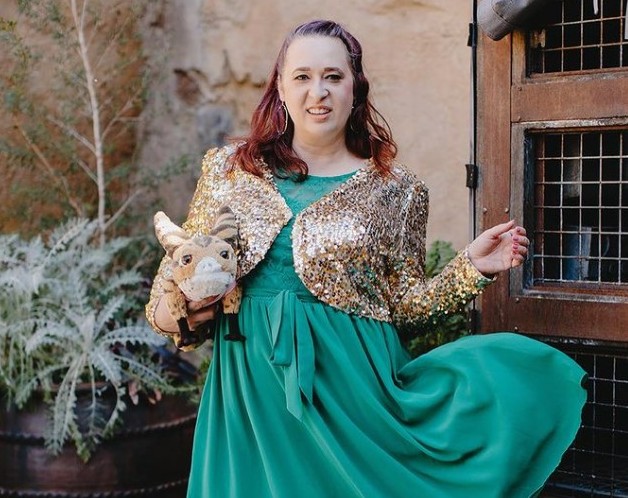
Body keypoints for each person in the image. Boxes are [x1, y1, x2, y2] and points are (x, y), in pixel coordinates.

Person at [146, 19, 586, 498]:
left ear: (355, 87)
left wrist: (471, 269)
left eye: (334, 77)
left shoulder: (398, 191)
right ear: (280, 88)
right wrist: (179, 312)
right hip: (250, 392)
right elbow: (177, 281)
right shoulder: (227, 171)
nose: (320, 92)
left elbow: (403, 308)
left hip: (353, 395)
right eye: (303, 77)